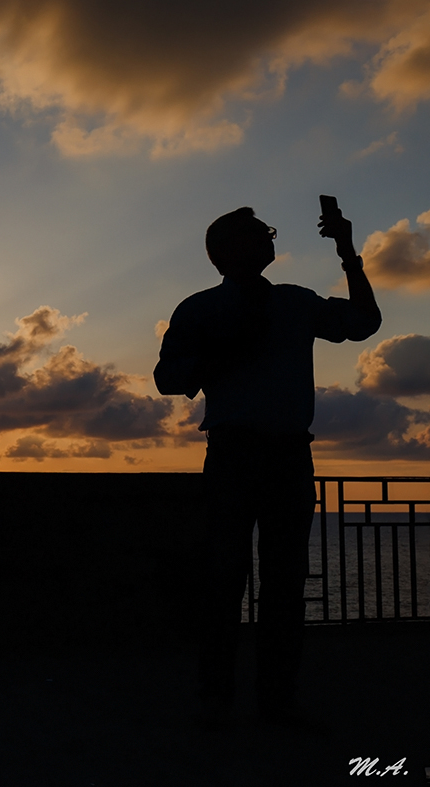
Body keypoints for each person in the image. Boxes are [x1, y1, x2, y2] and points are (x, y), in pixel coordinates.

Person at [154, 203, 381, 729]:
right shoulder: (207, 310)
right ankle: (236, 698)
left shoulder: (289, 303)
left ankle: (265, 698)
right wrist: (224, 355)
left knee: (275, 582)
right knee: (234, 580)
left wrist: (349, 254)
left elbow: (365, 323)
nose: (270, 240)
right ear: (231, 250)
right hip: (245, 455)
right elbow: (168, 378)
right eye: (260, 235)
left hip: (276, 456)